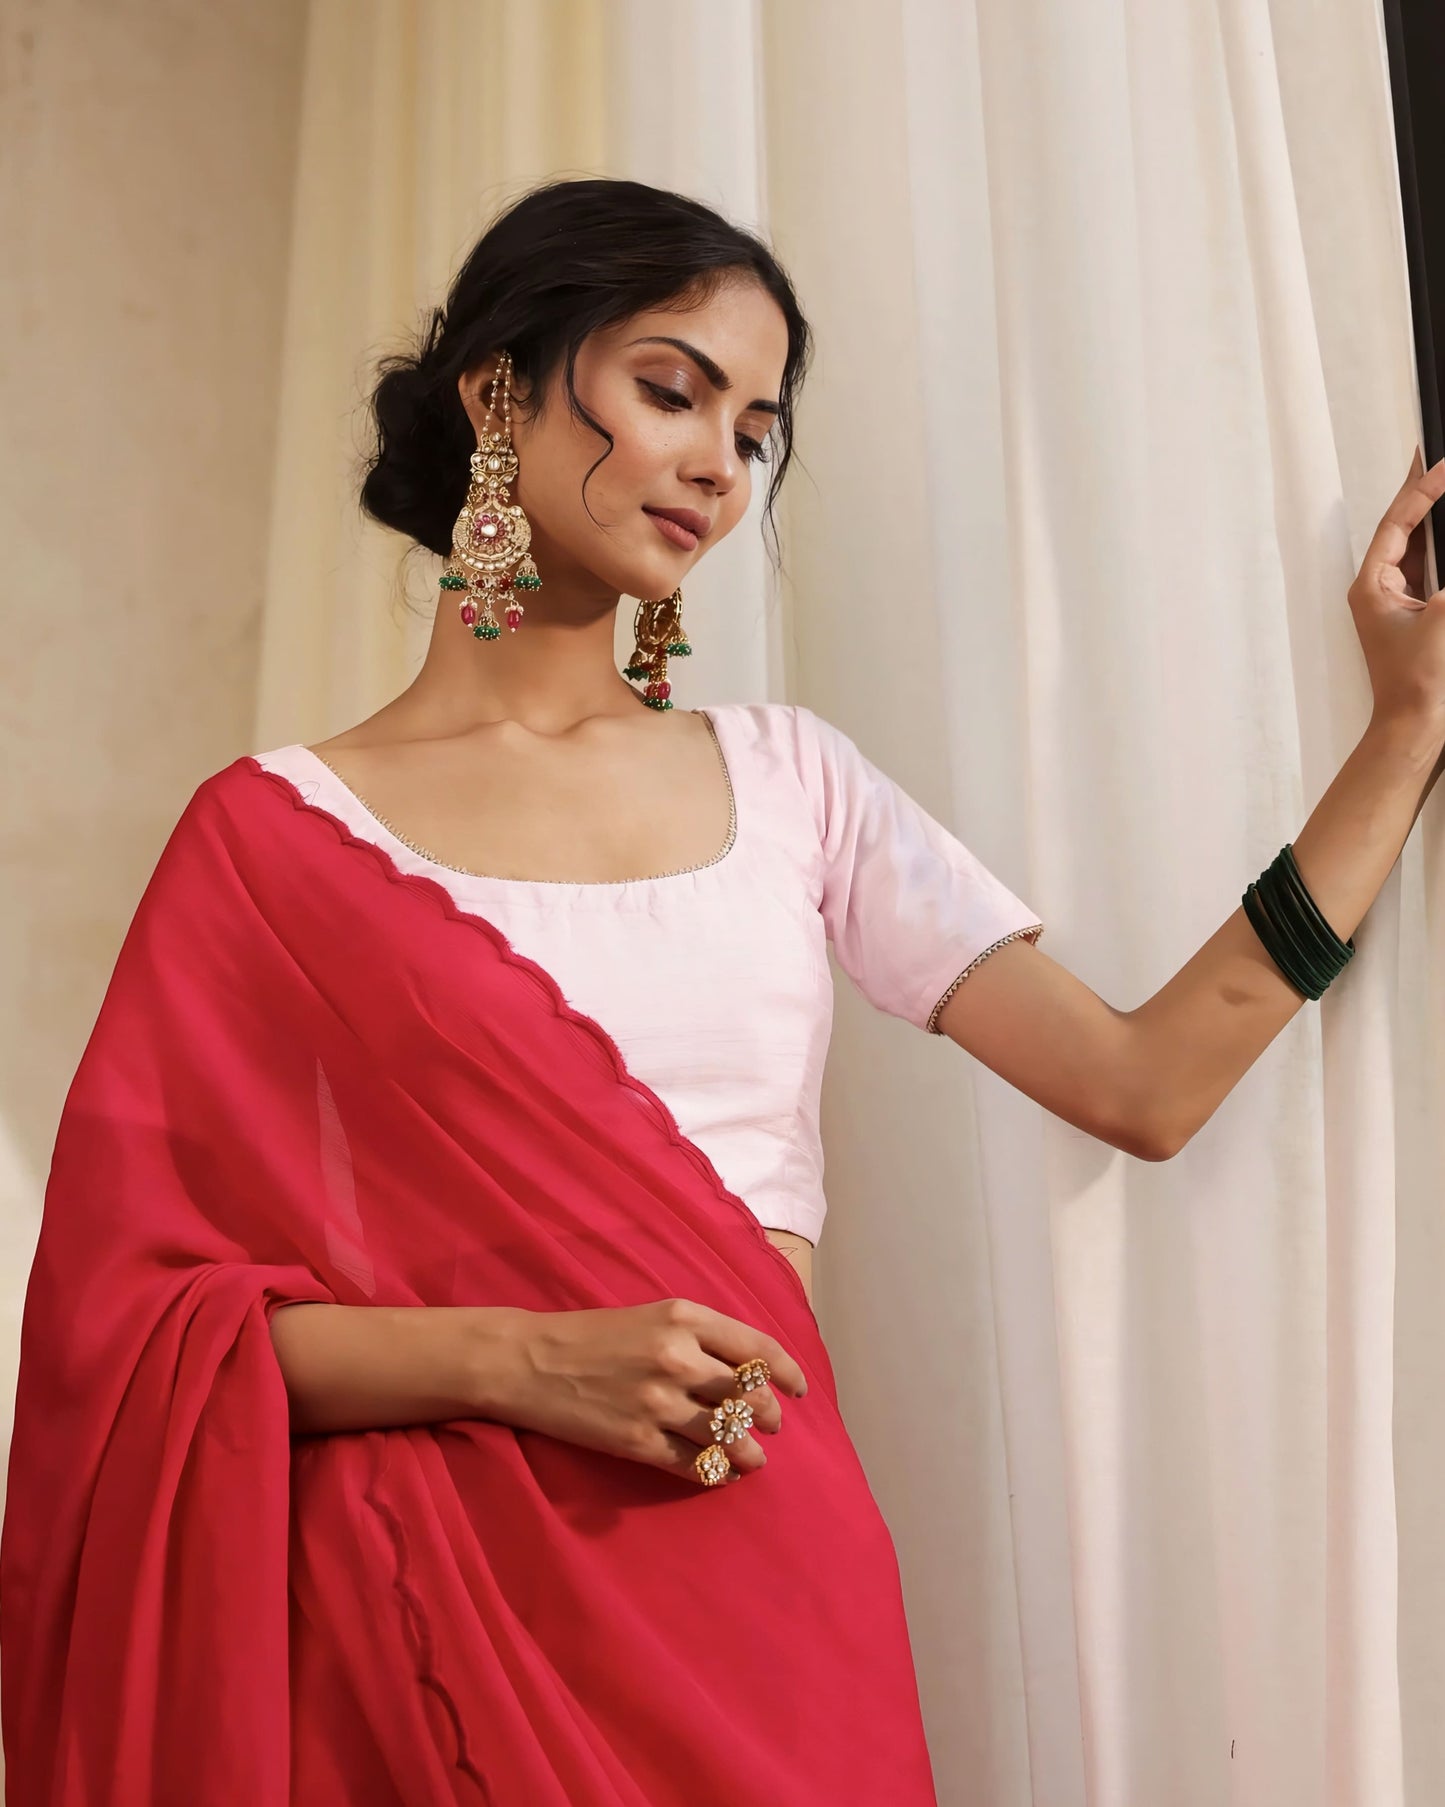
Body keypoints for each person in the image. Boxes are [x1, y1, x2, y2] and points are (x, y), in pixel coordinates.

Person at [2, 175, 1442, 1807]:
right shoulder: (274, 841)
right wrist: (518, 1361)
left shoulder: (790, 786)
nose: (712, 461)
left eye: (751, 432)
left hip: (761, 1574)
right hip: (430, 1607)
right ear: (501, 390)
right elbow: (127, 1346)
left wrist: (1401, 735)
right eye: (669, 389)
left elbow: (1144, 1082)